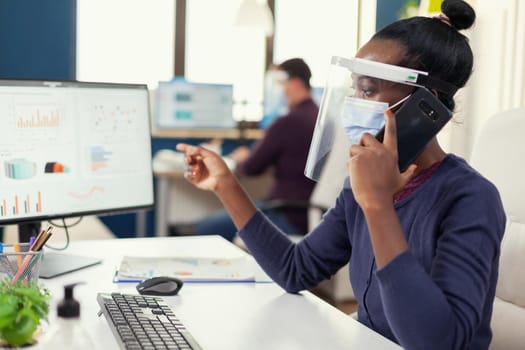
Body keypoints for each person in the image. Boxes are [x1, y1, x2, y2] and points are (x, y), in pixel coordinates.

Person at [177, 1, 506, 349]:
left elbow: (438, 343)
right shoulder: (361, 186)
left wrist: (378, 205)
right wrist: (225, 184)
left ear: (428, 103)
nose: (354, 102)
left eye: (368, 90)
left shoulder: (470, 198)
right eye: (354, 89)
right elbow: (296, 270)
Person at [195, 58, 319, 241]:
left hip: (285, 214)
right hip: (307, 213)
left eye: (281, 84)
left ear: (295, 83)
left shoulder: (288, 122)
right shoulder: (317, 117)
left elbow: (250, 168)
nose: (280, 91)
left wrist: (242, 158)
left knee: (206, 228)